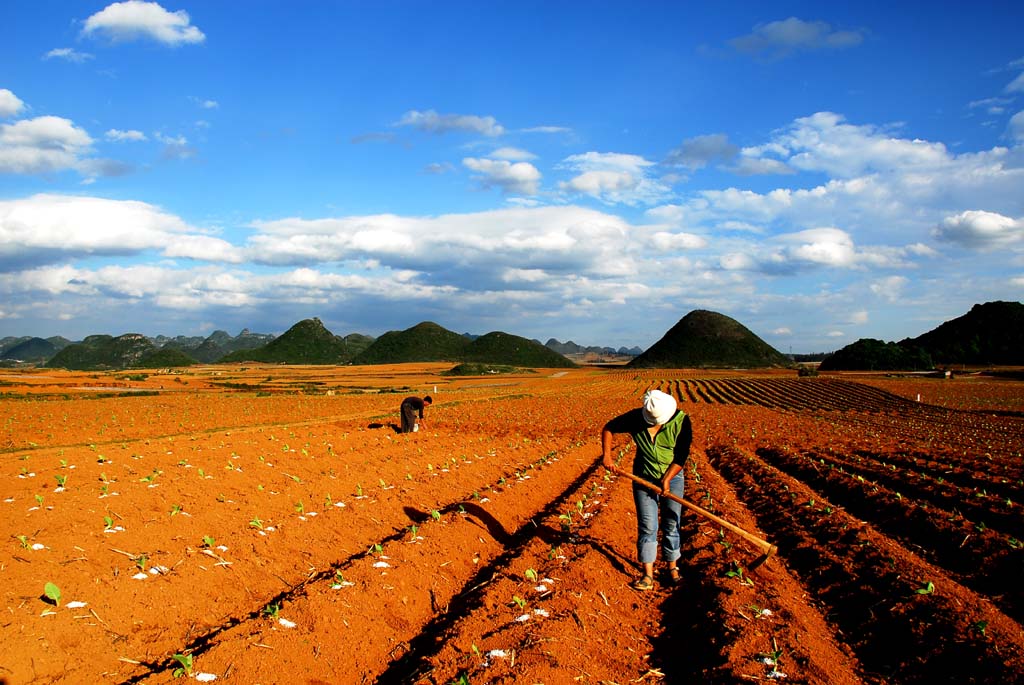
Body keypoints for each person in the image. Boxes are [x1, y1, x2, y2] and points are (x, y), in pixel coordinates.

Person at [601, 389, 692, 590]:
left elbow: (681, 456)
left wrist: (667, 480)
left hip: (673, 478)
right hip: (643, 478)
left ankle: (672, 568)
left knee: (671, 522)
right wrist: (607, 455)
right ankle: (647, 575)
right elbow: (609, 428)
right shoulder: (636, 418)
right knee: (648, 525)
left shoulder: (681, 421)